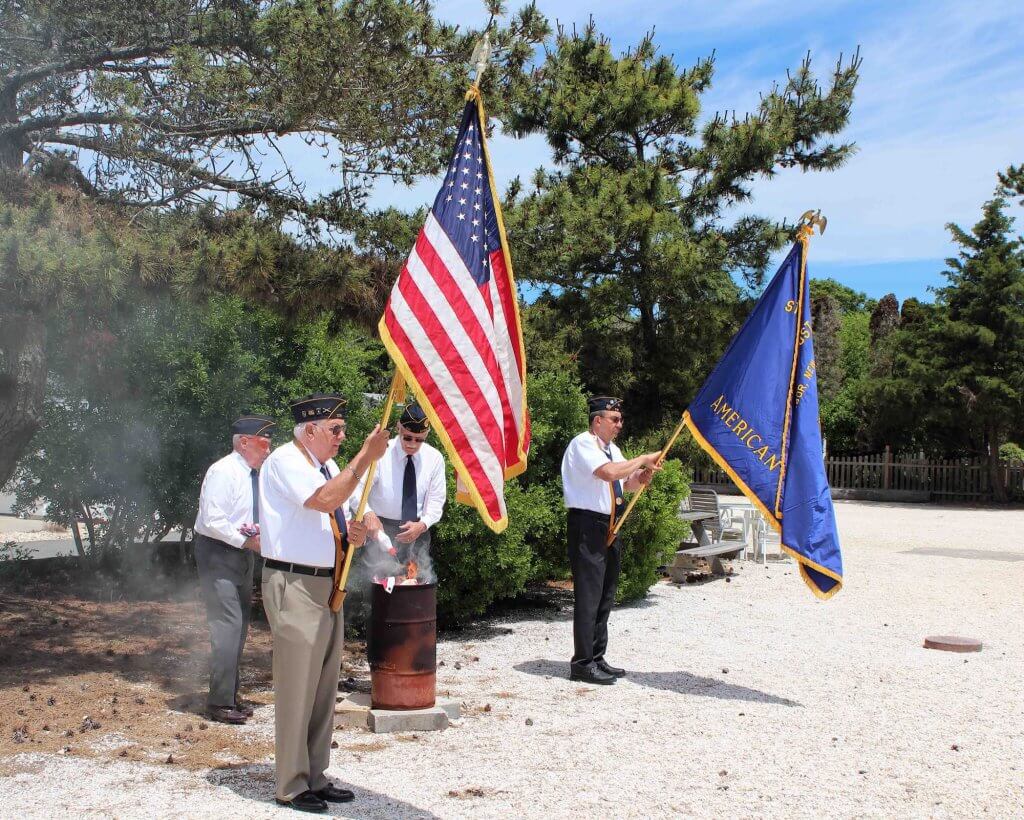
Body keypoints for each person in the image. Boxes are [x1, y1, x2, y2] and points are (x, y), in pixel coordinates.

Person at [259, 393, 389, 813]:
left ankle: (315, 774)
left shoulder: (326, 464)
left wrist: (357, 527)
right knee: (298, 686)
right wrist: (365, 458)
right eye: (335, 430)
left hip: (327, 584)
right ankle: (291, 785)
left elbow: (342, 509)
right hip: (294, 583)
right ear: (309, 430)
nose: (341, 437)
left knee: (322, 687)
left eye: (344, 431)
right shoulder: (285, 460)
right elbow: (323, 500)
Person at [561, 396, 661, 685]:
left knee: (605, 593)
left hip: (609, 524)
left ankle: (596, 656)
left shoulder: (612, 449)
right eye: (614, 419)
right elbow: (608, 473)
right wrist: (641, 458)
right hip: (587, 524)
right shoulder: (583, 443)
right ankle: (581, 662)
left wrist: (642, 476)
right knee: (589, 594)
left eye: (620, 419)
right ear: (597, 421)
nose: (620, 424)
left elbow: (623, 483)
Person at [193, 415, 276, 725]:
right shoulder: (223, 471)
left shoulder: (253, 474)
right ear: (244, 443)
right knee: (227, 625)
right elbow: (212, 520)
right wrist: (247, 541)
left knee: (239, 626)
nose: (268, 450)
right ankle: (218, 702)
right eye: (264, 443)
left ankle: (228, 695)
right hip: (219, 553)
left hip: (241, 552)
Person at [353, 402, 446, 559]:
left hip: (417, 532)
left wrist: (423, 524)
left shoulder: (434, 458)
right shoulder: (380, 452)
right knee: (374, 582)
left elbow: (436, 500)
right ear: (398, 428)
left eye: (419, 440)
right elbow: (355, 489)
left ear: (427, 434)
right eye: (407, 437)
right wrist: (367, 514)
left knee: (414, 581)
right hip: (378, 530)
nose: (412, 444)